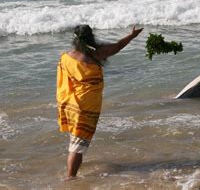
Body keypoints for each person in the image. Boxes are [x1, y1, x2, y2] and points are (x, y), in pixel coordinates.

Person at [56, 24, 143, 179]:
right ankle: (70, 179)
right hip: (85, 106)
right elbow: (118, 46)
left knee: (76, 142)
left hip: (71, 104)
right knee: (77, 147)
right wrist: (132, 36)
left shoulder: (65, 57)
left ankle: (72, 175)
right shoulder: (95, 55)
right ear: (91, 37)